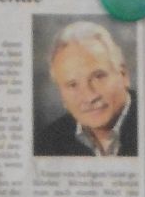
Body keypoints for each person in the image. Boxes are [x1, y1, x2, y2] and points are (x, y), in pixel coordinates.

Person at [33, 19, 137, 157]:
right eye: (72, 85)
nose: (89, 97)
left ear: (123, 75)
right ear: (61, 94)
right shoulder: (47, 142)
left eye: (98, 76)